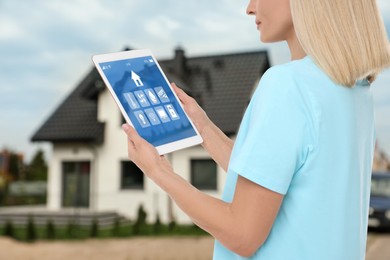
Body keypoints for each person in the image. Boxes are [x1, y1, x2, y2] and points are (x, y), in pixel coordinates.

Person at [121, 0, 390, 259]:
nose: (250, 8)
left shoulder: (287, 85)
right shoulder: (355, 91)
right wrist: (202, 127)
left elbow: (242, 234)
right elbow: (269, 176)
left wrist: (159, 172)